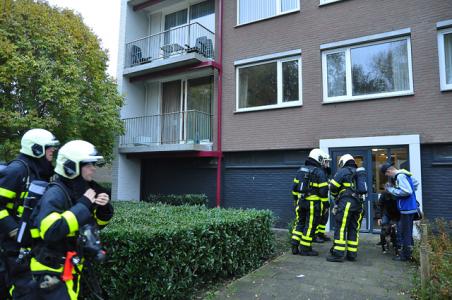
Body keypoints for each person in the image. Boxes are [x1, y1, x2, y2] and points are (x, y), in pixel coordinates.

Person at [29, 140, 113, 299]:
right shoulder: (56, 193)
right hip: (49, 273)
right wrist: (83, 206)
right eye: (88, 165)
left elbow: (92, 226)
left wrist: (103, 209)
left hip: (68, 270)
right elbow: (51, 230)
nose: (93, 168)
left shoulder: (78, 192)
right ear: (71, 167)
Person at [0, 128, 59, 299]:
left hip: (30, 246)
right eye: (49, 147)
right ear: (36, 149)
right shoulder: (17, 170)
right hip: (10, 247)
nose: (53, 151)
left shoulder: (40, 172)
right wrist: (14, 231)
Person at [290, 149, 329, 256]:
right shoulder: (319, 172)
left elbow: (294, 188)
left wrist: (295, 200)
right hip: (313, 204)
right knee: (310, 226)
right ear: (318, 158)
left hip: (300, 202)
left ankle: (294, 245)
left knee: (300, 223)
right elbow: (323, 192)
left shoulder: (300, 170)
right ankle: (305, 249)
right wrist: (326, 205)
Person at [327, 154, 364, 262]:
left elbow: (333, 186)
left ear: (343, 162)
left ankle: (338, 254)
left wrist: (335, 196)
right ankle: (352, 255)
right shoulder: (358, 173)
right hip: (359, 204)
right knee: (354, 228)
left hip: (346, 203)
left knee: (341, 228)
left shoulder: (343, 171)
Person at [380, 162, 419, 261]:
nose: (388, 176)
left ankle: (405, 256)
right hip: (410, 208)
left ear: (389, 171)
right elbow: (415, 184)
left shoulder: (400, 176)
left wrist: (391, 189)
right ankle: (409, 253)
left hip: (406, 208)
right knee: (407, 231)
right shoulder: (405, 174)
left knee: (404, 232)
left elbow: (407, 191)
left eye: (387, 174)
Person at [314, 156, 332, 243]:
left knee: (324, 218)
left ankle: (321, 234)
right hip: (319, 199)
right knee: (318, 218)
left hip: (324, 198)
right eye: (326, 162)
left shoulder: (325, 171)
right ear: (321, 162)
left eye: (328, 162)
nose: (328, 163)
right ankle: (316, 235)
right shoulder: (319, 171)